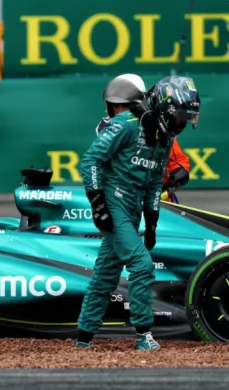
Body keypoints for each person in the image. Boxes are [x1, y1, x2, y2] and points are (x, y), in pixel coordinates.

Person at [76, 75, 201, 351]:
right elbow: (91, 161)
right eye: (179, 116)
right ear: (163, 109)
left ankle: (83, 337)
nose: (182, 123)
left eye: (186, 117)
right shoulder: (124, 124)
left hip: (133, 209)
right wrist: (98, 204)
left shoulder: (164, 135)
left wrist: (152, 220)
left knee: (105, 276)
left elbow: (155, 181)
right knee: (142, 266)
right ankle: (144, 335)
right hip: (114, 204)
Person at [93, 74, 193, 203]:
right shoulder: (107, 127)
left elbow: (179, 162)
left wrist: (176, 178)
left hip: (158, 201)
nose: (120, 111)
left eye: (126, 105)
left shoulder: (158, 125)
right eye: (116, 105)